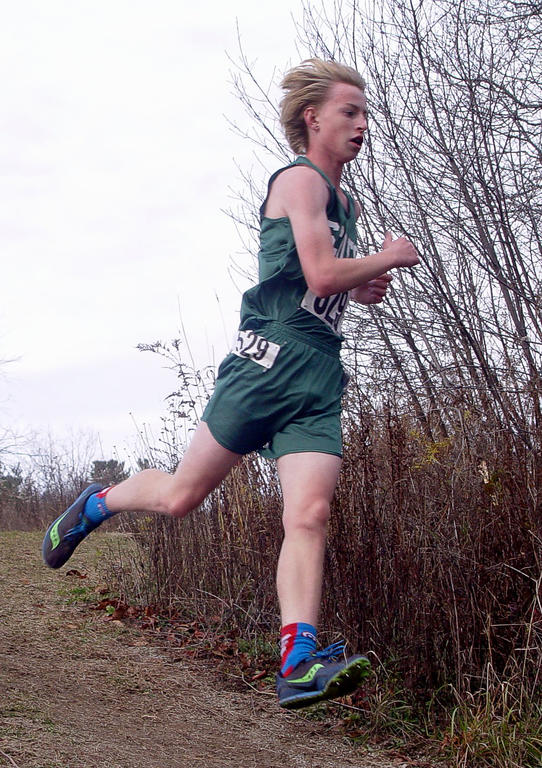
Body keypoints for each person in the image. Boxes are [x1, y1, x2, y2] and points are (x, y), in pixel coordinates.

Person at [42, 58, 420, 709]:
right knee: (183, 497)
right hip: (266, 363)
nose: (363, 124)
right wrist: (385, 257)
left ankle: (296, 662)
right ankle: (97, 503)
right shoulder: (298, 181)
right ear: (313, 118)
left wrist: (365, 284)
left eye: (365, 114)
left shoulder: (348, 204)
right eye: (350, 112)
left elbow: (324, 284)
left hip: (318, 374)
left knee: (310, 513)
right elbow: (320, 274)